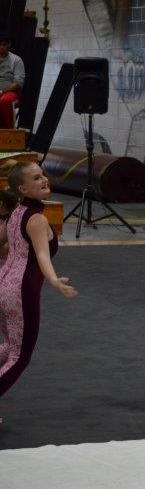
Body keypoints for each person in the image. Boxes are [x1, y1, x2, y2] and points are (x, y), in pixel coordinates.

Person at [0, 164, 77, 424]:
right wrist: (54, 280)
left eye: (43, 175)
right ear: (23, 189)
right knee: (19, 357)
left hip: (4, 285)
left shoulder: (15, 212)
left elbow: (5, 245)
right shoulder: (37, 219)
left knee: (9, 347)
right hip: (20, 291)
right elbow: (42, 255)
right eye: (36, 178)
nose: (44, 180)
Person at [0, 32, 25, 129]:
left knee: (5, 101)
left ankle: (9, 131)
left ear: (9, 45)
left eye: (4, 45)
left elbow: (18, 84)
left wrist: (2, 92)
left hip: (11, 93)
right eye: (0, 45)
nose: (1, 47)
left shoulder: (16, 60)